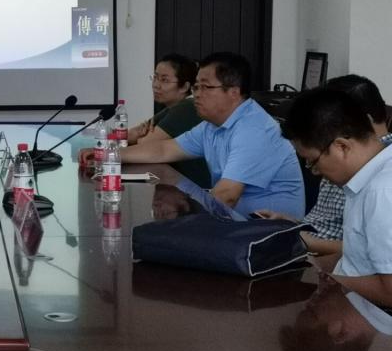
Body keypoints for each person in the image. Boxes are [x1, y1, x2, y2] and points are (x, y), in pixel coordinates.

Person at [82, 52, 304, 217]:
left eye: (205, 87)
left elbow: (227, 195)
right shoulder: (212, 125)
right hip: (235, 223)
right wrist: (106, 153)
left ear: (234, 92)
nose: (196, 94)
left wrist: (188, 225)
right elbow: (163, 149)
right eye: (196, 87)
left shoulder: (254, 130)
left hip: (266, 234)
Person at [281, 86, 392, 307]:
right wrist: (310, 265)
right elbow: (357, 259)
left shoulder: (382, 192)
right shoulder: (365, 178)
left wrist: (331, 281)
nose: (314, 171)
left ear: (341, 146)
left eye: (312, 161)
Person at [257, 74, 392, 255]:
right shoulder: (349, 165)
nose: (315, 171)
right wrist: (292, 226)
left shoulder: (378, 185)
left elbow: (367, 253)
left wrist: (305, 243)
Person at [128, 53, 210, 188]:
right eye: (155, 77)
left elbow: (145, 145)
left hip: (195, 190)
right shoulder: (172, 107)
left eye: (164, 80)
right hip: (176, 184)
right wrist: (136, 137)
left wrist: (138, 138)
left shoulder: (187, 107)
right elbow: (132, 134)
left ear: (184, 87)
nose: (156, 85)